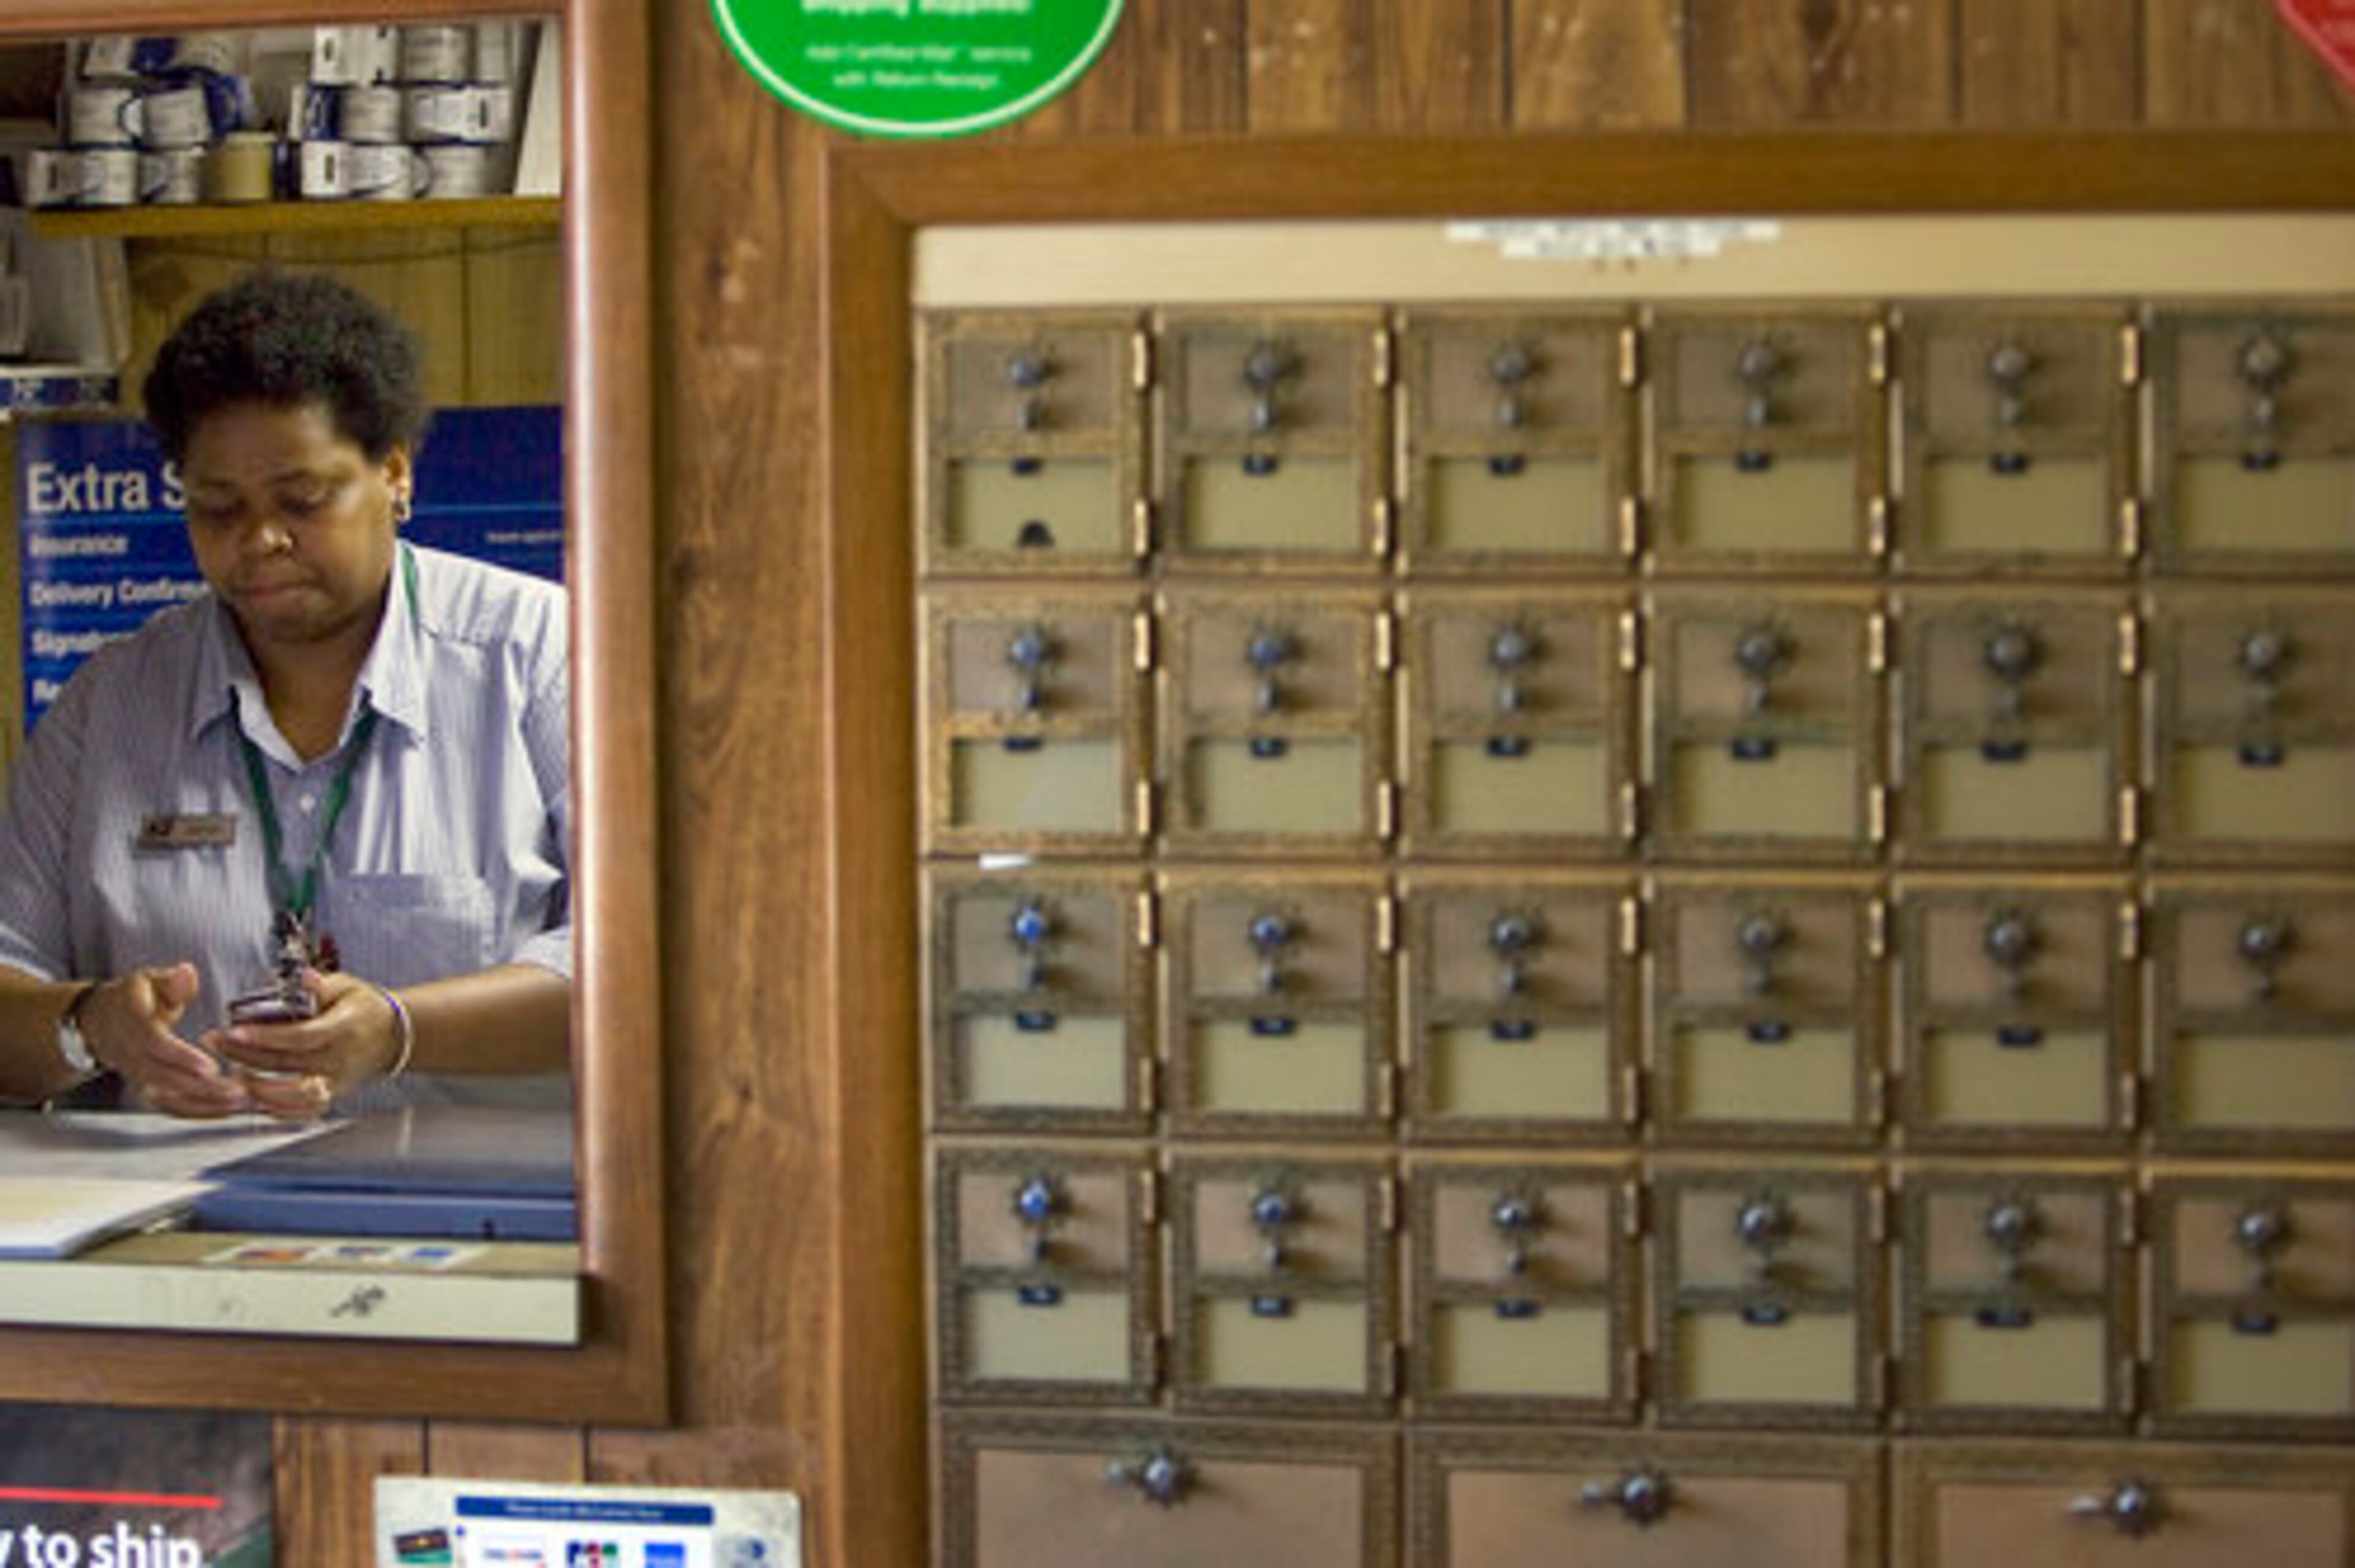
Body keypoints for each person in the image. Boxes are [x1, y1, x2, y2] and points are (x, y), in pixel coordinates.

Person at [0, 268, 571, 1119]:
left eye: (303, 500)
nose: (260, 539)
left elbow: (657, 964)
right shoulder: (110, 705)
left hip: (475, 1214)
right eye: (216, 505)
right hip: (173, 1224)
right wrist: (88, 1027)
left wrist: (400, 1030)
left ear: (396, 475)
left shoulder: (539, 658)